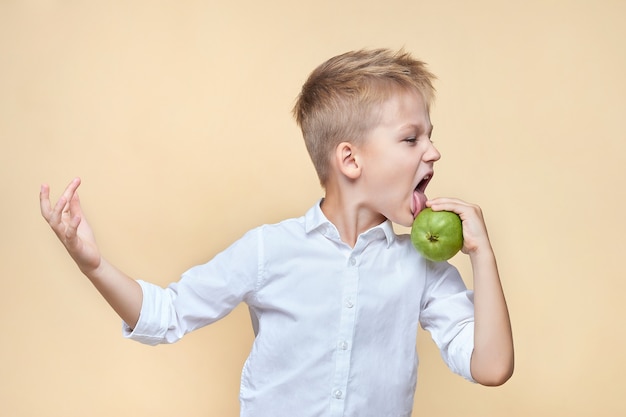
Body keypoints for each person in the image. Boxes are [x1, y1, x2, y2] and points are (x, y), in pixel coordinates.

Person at [40, 48, 513, 417]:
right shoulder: (270, 250)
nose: (433, 153)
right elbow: (166, 315)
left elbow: (490, 367)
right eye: (412, 139)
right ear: (350, 160)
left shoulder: (421, 265)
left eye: (430, 136)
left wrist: (482, 256)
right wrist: (93, 264)